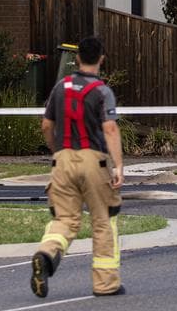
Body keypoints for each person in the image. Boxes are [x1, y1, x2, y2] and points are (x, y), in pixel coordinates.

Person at [31, 36, 125, 298]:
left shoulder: (61, 87)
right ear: (101, 59)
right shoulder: (102, 91)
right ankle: (106, 284)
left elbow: (46, 126)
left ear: (78, 58)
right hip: (93, 161)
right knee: (103, 221)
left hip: (63, 160)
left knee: (65, 220)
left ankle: (46, 254)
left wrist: (56, 151)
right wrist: (118, 166)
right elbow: (110, 128)